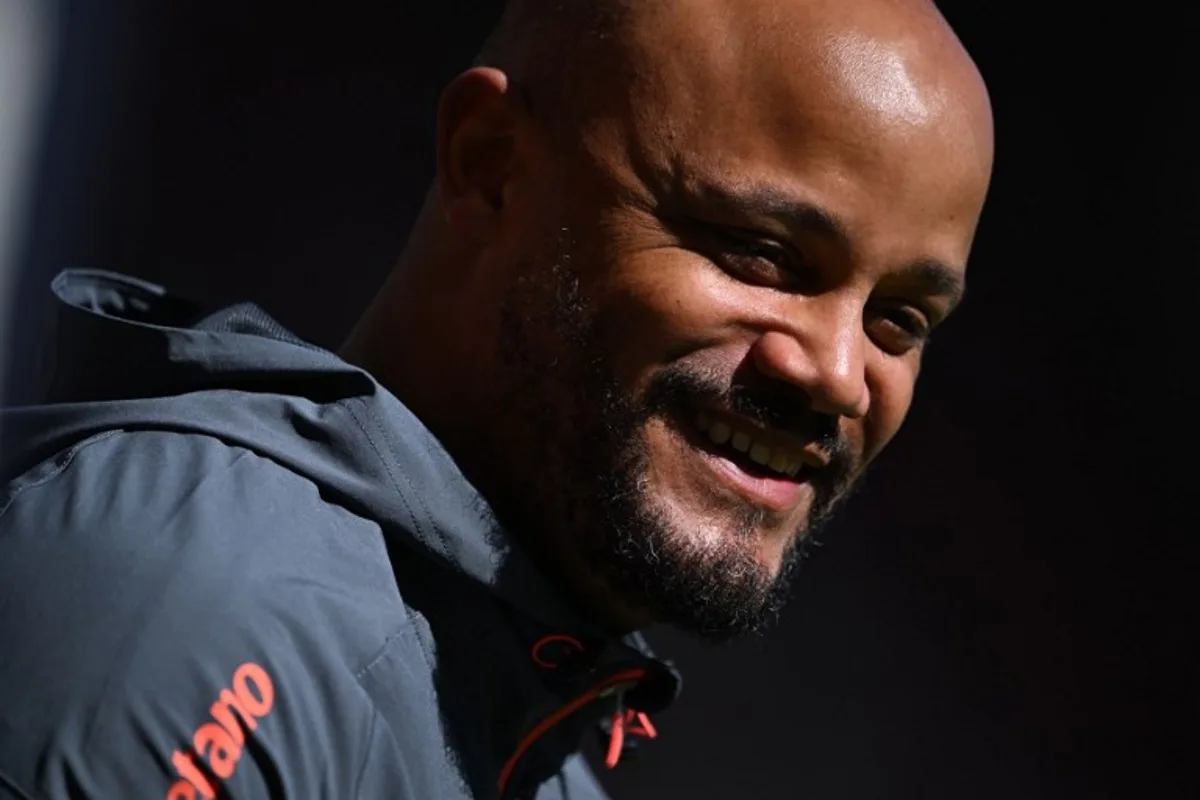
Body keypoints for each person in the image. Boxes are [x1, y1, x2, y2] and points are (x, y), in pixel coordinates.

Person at [0, 0, 993, 797]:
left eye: (900, 320)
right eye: (764, 252)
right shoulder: (196, 607)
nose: (837, 370)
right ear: (491, 162)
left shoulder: (528, 721)